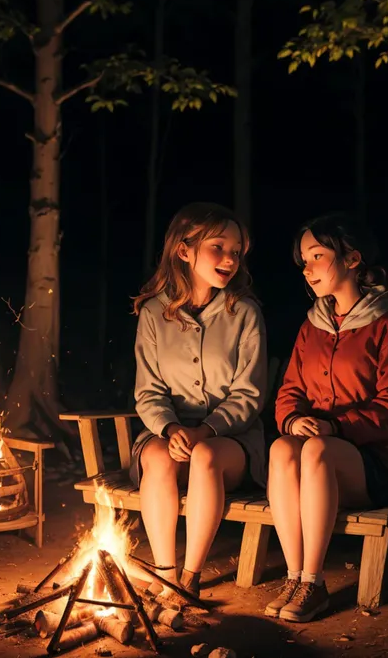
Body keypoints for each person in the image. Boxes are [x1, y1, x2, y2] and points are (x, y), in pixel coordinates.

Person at [265, 212, 388, 623]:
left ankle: (314, 583)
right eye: (303, 260)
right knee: (283, 446)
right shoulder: (311, 326)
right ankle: (295, 576)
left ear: (352, 258)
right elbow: (289, 392)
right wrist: (293, 420)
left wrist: (336, 427)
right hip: (318, 456)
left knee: (315, 450)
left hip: (372, 465)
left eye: (316, 255)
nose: (307, 268)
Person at [130, 202, 267, 598]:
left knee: (205, 455)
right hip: (168, 436)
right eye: (218, 247)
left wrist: (205, 430)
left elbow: (249, 393)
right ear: (184, 250)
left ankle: (190, 578)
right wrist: (171, 428)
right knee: (157, 456)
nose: (230, 259)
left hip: (230, 443)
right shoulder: (154, 313)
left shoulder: (244, 314)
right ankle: (165, 574)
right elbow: (148, 390)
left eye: (237, 251)